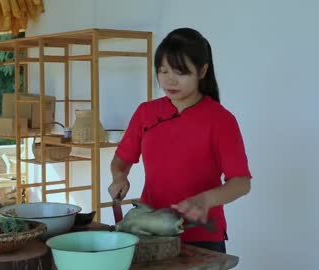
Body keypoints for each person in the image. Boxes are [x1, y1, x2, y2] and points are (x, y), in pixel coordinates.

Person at [108, 27, 252, 253]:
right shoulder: (146, 113)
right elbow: (120, 162)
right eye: (163, 71)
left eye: (180, 72)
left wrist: (204, 200)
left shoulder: (221, 120)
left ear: (202, 71)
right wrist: (119, 177)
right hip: (150, 232)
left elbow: (241, 183)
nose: (170, 80)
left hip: (202, 235)